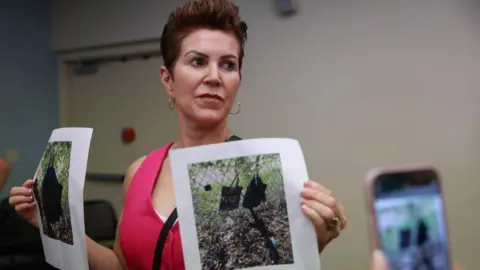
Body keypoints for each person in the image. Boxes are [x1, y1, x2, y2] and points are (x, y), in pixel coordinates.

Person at [8, 0, 348, 269]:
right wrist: (47, 221)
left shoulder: (260, 176)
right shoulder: (139, 171)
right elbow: (121, 265)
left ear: (237, 81)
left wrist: (311, 243)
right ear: (168, 80)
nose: (215, 76)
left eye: (228, 64)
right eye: (198, 61)